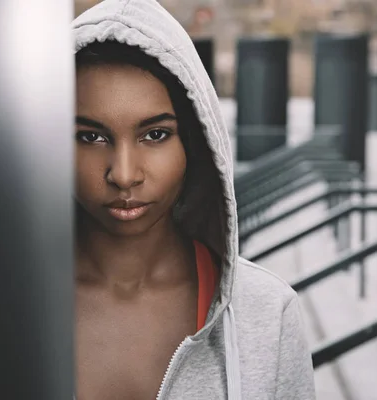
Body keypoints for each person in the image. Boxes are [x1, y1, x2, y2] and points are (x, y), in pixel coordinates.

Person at [72, 1, 315, 399]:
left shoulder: (268, 313)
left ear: (196, 142)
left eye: (155, 135)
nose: (124, 174)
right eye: (91, 137)